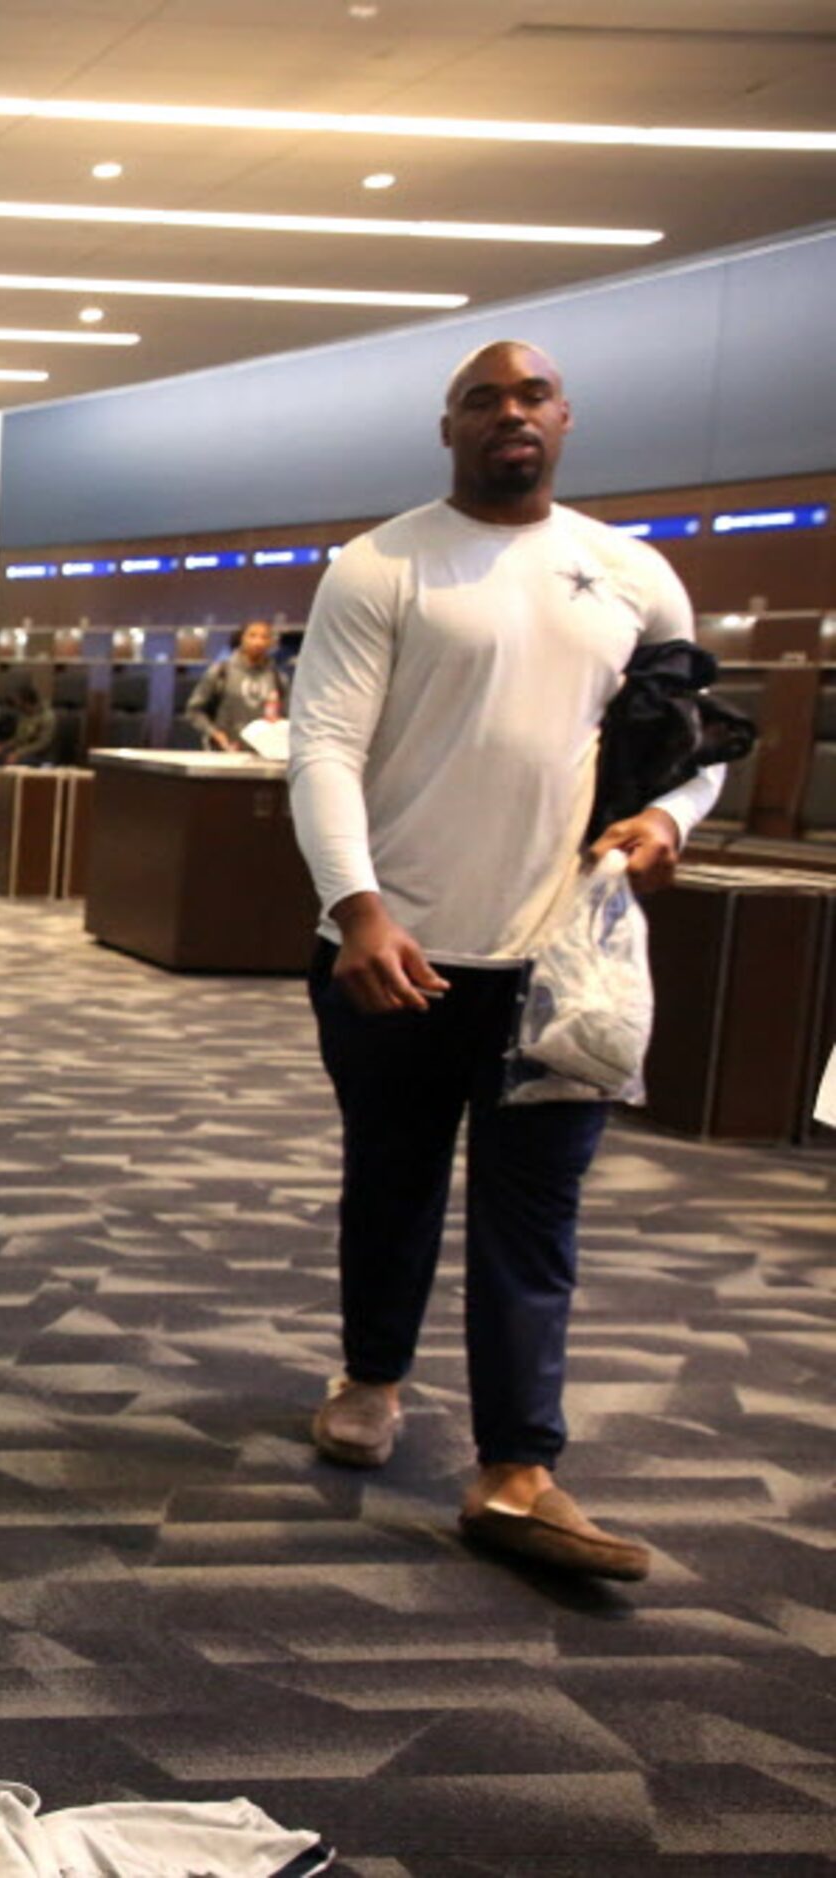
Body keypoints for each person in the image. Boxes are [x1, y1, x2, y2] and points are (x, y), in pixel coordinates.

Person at [288, 338, 721, 1583]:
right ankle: (371, 1374)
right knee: (394, 1176)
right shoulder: (381, 566)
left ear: (563, 420)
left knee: (534, 1214)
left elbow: (698, 742)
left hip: (563, 967)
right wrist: (356, 907)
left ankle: (517, 1464)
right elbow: (320, 748)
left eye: (528, 396)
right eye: (482, 399)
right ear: (450, 429)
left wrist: (666, 821)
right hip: (398, 948)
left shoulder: (632, 576)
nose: (507, 414)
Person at [184, 619, 289, 751]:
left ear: (271, 642)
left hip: (264, 755)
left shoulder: (278, 677)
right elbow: (194, 710)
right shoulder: (221, 672)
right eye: (252, 635)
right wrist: (214, 733)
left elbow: (287, 716)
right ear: (241, 638)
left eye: (264, 637)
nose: (258, 642)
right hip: (225, 752)